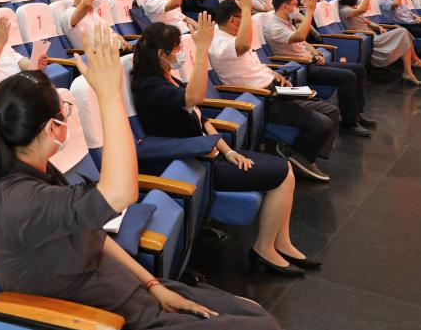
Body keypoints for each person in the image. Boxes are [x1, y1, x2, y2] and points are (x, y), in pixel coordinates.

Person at [0, 26, 288, 330]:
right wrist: (109, 95)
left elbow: (95, 235)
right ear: (51, 128)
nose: (69, 117)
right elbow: (120, 194)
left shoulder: (38, 172)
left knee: (251, 313)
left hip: (131, 297)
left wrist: (154, 285)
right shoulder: (20, 200)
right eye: (66, 111)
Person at [133, 16, 312, 276]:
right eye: (178, 48)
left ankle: (281, 242)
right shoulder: (149, 87)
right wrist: (202, 50)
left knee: (286, 171)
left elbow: (201, 118)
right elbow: (195, 98)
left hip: (209, 153)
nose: (181, 53)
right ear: (162, 54)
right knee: (283, 173)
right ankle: (264, 249)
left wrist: (229, 151)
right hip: (193, 164)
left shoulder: (167, 78)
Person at [211, 0, 340, 182]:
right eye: (244, 17)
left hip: (275, 89)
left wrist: (273, 73)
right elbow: (243, 46)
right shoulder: (219, 42)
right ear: (233, 20)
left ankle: (300, 153)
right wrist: (246, 8)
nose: (248, 22)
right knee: (322, 123)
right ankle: (302, 158)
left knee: (332, 111)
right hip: (262, 99)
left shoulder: (235, 37)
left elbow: (254, 66)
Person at [265, 0, 374, 137]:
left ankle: (356, 113)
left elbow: (303, 43)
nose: (297, 8)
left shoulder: (286, 23)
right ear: (285, 6)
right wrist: (310, 11)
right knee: (348, 76)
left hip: (310, 62)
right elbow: (300, 36)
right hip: (300, 67)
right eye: (295, 5)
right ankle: (348, 123)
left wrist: (315, 53)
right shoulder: (274, 27)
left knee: (358, 69)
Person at [339, 0, 421, 85]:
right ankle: (410, 68)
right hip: (367, 39)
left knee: (403, 32)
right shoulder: (344, 10)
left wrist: (378, 26)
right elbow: (363, 9)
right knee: (402, 31)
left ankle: (408, 71)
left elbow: (367, 22)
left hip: (374, 35)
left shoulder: (353, 9)